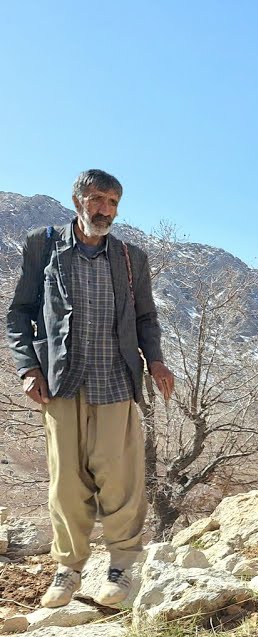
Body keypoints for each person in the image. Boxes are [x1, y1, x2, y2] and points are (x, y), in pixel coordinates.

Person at [6, 169, 175, 608]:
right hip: (61, 381)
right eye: (99, 199)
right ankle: (68, 569)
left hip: (116, 378)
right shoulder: (43, 245)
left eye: (114, 202)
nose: (106, 210)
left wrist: (155, 361)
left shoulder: (128, 257)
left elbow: (145, 318)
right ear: (78, 199)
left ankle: (122, 565)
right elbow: (19, 313)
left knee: (120, 478)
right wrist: (27, 368)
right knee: (66, 482)